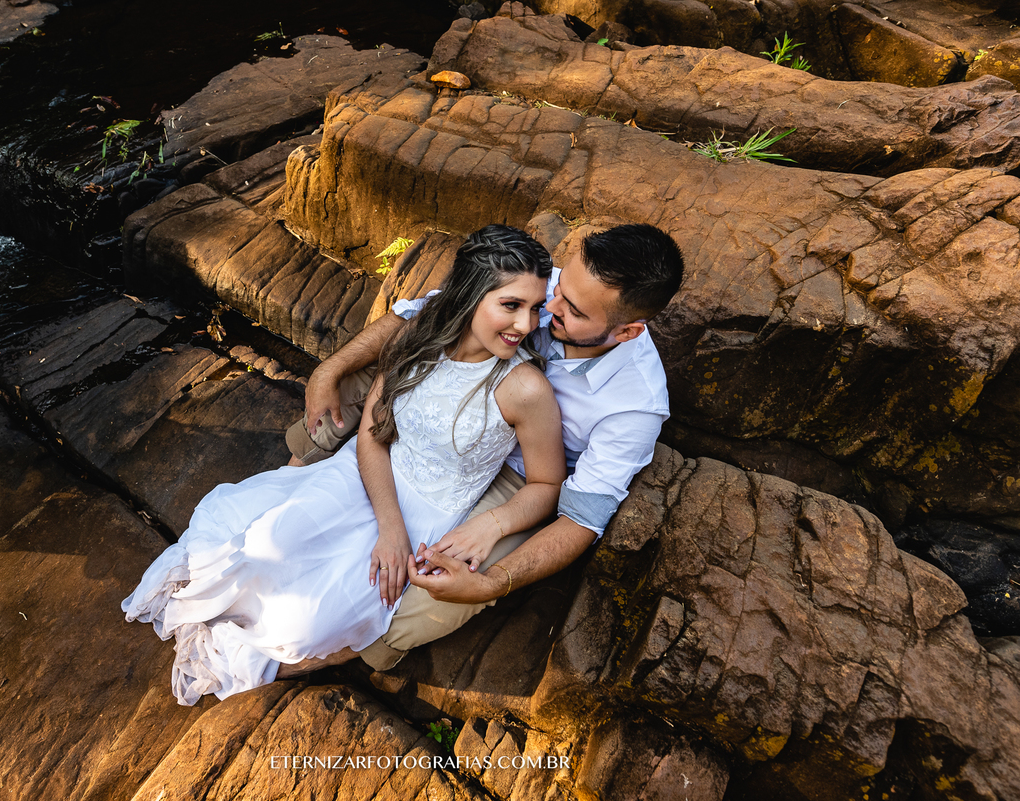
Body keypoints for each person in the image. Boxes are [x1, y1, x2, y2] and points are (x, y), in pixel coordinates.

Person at [121, 225, 565, 705]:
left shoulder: (525, 388)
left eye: (535, 307)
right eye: (511, 305)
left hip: (429, 515)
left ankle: (267, 651)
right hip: (363, 475)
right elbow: (373, 434)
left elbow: (546, 484)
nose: (526, 324)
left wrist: (485, 526)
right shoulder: (420, 337)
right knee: (263, 546)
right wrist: (389, 529)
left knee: (308, 623)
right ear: (470, 295)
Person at [280, 222, 684, 675]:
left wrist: (492, 569)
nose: (547, 310)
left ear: (627, 332)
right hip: (462, 391)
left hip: (520, 477)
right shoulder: (547, 287)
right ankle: (289, 487)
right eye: (557, 291)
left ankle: (330, 656)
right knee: (359, 379)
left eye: (571, 311)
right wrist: (329, 369)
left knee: (443, 589)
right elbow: (421, 317)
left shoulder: (635, 407)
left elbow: (580, 521)